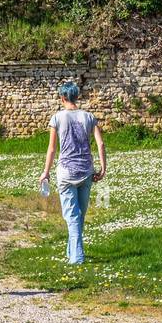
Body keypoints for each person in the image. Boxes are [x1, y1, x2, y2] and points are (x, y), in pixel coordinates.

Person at [38, 83, 106, 264]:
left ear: (62, 98)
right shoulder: (89, 117)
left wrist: (46, 172)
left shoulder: (57, 118)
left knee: (73, 216)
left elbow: (52, 149)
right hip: (86, 171)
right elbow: (100, 144)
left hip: (66, 173)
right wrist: (103, 168)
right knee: (79, 215)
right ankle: (72, 251)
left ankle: (76, 258)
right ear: (77, 97)